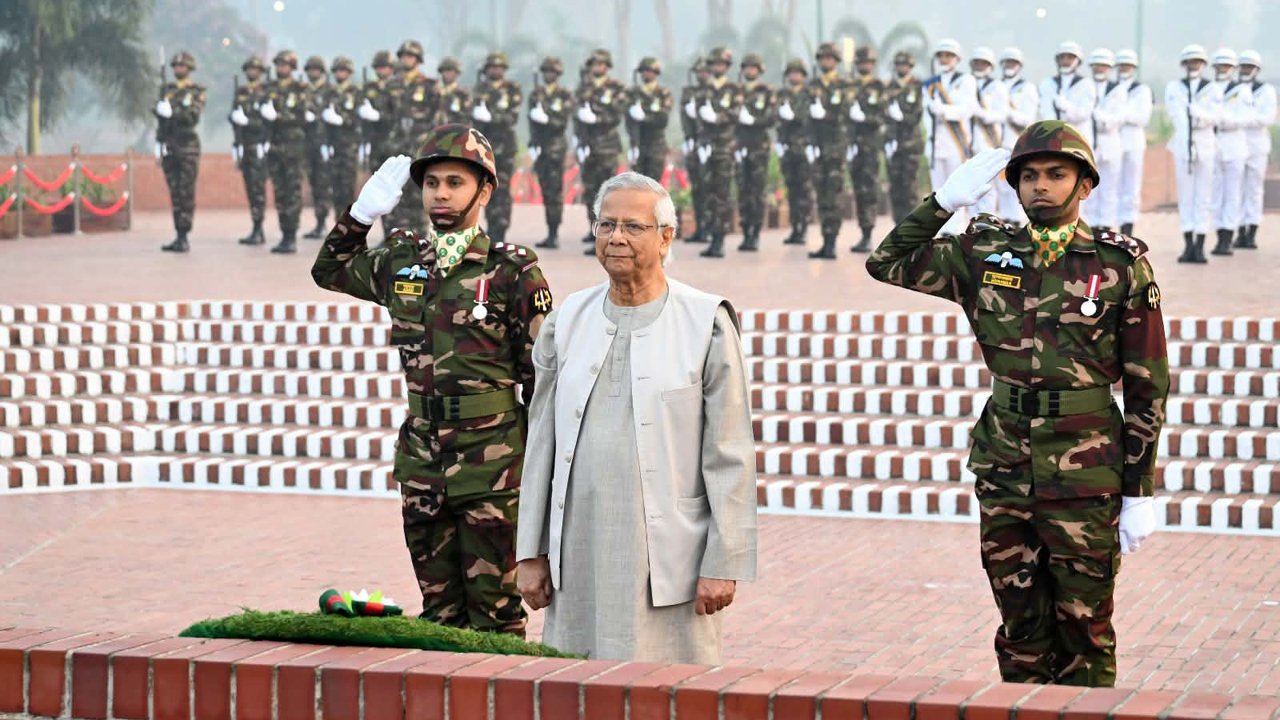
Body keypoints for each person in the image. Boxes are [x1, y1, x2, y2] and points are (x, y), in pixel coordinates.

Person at [867, 121, 1167, 687]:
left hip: (1088, 469)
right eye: (1028, 176)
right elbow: (885, 262)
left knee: (1086, 632)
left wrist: (1138, 490)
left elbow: (1148, 384)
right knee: (1019, 630)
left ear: (1084, 186)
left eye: (1057, 174)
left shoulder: (1119, 264)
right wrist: (942, 203)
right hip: (1006, 465)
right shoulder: (983, 252)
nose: (1040, 187)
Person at [311, 124, 552, 636]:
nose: (440, 194)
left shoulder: (511, 270)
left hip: (492, 461)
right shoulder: (403, 259)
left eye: (455, 183)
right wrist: (361, 215)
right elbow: (329, 270)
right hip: (423, 459)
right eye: (432, 183)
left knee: (496, 615)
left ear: (484, 191)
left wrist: (535, 469)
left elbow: (542, 381)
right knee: (438, 614)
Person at [516, 171, 757, 663]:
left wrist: (724, 560)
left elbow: (729, 452)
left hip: (670, 556)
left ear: (666, 237)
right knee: (575, 687)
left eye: (633, 226)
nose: (616, 238)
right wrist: (530, 552)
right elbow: (540, 440)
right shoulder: (568, 320)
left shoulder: (704, 321)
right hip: (577, 550)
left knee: (670, 691)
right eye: (606, 225)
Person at [1165, 44, 1222, 263]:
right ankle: (1188, 242)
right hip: (1183, 144)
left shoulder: (1213, 89)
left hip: (1206, 143)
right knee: (1186, 196)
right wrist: (1190, 124)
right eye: (1190, 62)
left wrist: (1197, 116)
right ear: (1184, 64)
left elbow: (1215, 115)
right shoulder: (1175, 87)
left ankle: (1200, 243)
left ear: (1203, 64)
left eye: (1197, 61)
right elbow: (1176, 116)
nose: (1193, 65)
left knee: (1203, 197)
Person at [383, 40, 438, 238]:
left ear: (418, 59)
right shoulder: (391, 85)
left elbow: (437, 118)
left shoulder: (429, 86)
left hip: (419, 148)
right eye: (404, 56)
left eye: (411, 56)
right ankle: (397, 240)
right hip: (396, 146)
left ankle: (420, 239)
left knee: (418, 194)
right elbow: (385, 117)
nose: (407, 59)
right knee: (396, 194)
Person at [923, 38, 977, 237]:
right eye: (941, 55)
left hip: (956, 142)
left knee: (957, 186)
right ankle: (940, 227)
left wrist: (943, 110)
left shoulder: (966, 81)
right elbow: (925, 117)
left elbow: (967, 109)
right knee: (938, 189)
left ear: (957, 58)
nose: (944, 59)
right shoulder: (930, 84)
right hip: (936, 143)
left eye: (949, 55)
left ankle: (955, 228)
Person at [575, 48, 626, 252]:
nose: (598, 67)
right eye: (595, 64)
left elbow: (617, 115)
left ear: (607, 67)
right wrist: (579, 141)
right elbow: (576, 116)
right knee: (590, 190)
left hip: (607, 147)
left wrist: (597, 118)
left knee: (607, 193)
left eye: (601, 64)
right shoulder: (583, 87)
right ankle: (593, 227)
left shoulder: (615, 87)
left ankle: (606, 233)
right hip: (588, 147)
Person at [156, 50, 206, 253]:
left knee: (186, 192)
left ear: (189, 69)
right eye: (176, 66)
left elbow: (193, 116)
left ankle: (184, 234)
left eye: (182, 66)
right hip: (170, 145)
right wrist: (158, 142)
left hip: (188, 147)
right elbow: (160, 121)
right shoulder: (166, 90)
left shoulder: (196, 91)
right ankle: (178, 234)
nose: (178, 69)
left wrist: (173, 112)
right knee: (175, 192)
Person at [259, 49, 308, 254]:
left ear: (292, 68)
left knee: (292, 191)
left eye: (285, 65)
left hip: (293, 148)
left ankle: (291, 235)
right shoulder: (268, 88)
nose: (281, 68)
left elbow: (302, 115)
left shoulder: (299, 89)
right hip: (275, 147)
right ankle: (284, 232)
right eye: (279, 65)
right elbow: (261, 115)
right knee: (280, 191)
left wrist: (278, 116)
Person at [472, 52, 523, 244]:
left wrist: (491, 116)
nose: (496, 70)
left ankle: (500, 228)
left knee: (501, 189)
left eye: (499, 67)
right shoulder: (479, 89)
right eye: (492, 67)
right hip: (483, 148)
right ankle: (490, 226)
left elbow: (512, 117)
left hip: (505, 148)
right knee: (485, 188)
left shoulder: (512, 89)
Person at [694, 46, 740, 258]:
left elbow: (736, 113)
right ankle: (712, 237)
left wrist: (718, 117)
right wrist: (701, 143)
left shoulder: (733, 89)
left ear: (727, 66)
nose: (717, 68)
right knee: (708, 192)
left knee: (722, 193)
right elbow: (700, 121)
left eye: (721, 64)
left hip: (724, 148)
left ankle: (720, 238)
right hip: (708, 147)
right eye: (714, 64)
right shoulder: (704, 90)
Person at [806, 42, 850, 259]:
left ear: (836, 61)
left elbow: (845, 114)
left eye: (830, 58)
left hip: (835, 148)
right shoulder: (812, 85)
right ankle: (825, 240)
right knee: (822, 195)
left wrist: (824, 114)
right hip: (818, 148)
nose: (826, 62)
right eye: (823, 58)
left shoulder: (843, 85)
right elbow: (805, 118)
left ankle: (832, 241)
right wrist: (809, 143)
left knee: (833, 195)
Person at [1209, 48, 1252, 256]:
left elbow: (1245, 117)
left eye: (1226, 66)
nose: (1223, 69)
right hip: (1214, 142)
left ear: (1232, 68)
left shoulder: (1242, 90)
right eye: (1219, 65)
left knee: (1232, 193)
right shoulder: (1209, 88)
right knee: (1216, 193)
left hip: (1234, 143)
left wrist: (1223, 119)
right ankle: (1219, 235)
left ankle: (1228, 236)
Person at [529, 56, 574, 249]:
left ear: (558, 74)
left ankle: (554, 232)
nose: (549, 75)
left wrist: (546, 118)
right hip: (541, 148)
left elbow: (562, 121)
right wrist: (533, 142)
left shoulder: (564, 95)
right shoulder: (535, 94)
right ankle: (549, 232)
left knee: (555, 191)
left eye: (552, 72)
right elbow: (531, 121)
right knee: (545, 189)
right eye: (546, 71)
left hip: (555, 148)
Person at [846, 46, 886, 253]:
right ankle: (862, 233)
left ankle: (868, 234)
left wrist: (865, 118)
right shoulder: (849, 86)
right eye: (861, 62)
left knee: (868, 190)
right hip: (853, 146)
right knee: (858, 191)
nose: (865, 65)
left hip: (870, 147)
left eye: (868, 62)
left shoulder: (878, 87)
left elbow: (882, 116)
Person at [735, 53, 774, 252]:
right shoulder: (735, 91)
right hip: (740, 147)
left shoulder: (766, 91)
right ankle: (745, 232)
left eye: (753, 68)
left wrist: (753, 120)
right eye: (747, 67)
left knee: (757, 191)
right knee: (743, 191)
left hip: (759, 148)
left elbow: (772, 118)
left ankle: (755, 233)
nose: (750, 71)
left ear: (759, 70)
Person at [1085, 49, 1126, 232]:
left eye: (1103, 65)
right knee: (1089, 188)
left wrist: (1098, 117)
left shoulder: (1118, 90)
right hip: (1089, 143)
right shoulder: (1083, 87)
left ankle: (1107, 228)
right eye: (1096, 65)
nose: (1099, 68)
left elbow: (1116, 119)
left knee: (1109, 188)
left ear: (1109, 68)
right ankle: (1090, 228)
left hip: (1110, 143)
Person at [997, 47, 1039, 225]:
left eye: (1013, 62)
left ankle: (1016, 220)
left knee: (1016, 183)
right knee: (1001, 187)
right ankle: (1005, 220)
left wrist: (1008, 113)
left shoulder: (1027, 88)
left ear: (1019, 65)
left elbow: (1028, 118)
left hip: (1017, 143)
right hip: (997, 143)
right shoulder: (996, 86)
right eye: (1007, 62)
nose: (1009, 65)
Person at [1238, 50, 1275, 249]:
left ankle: (1251, 231)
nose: (1245, 70)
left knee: (1253, 190)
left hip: (1257, 145)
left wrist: (1241, 119)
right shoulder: (1232, 89)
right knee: (1235, 190)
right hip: (1235, 145)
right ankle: (1238, 230)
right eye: (1243, 66)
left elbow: (1266, 118)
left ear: (1256, 69)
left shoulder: (1266, 91)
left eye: (1249, 67)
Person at [230, 55, 269, 247]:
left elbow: (267, 121)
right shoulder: (241, 92)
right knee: (250, 188)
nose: (251, 72)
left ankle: (259, 227)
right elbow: (235, 120)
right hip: (244, 146)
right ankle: (255, 226)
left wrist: (248, 122)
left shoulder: (266, 93)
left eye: (255, 70)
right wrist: (236, 144)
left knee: (257, 188)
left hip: (258, 146)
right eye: (249, 70)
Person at [775, 58, 814, 242]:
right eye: (791, 73)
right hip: (788, 147)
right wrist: (780, 141)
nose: (794, 76)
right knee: (792, 189)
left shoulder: (808, 94)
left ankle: (804, 227)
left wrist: (796, 116)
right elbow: (778, 119)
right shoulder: (783, 94)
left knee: (804, 188)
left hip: (803, 146)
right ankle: (795, 227)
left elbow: (810, 118)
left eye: (797, 73)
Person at [1113, 49, 1152, 236]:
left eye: (1128, 65)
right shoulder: (1111, 88)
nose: (1124, 68)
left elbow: (1142, 117)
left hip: (1134, 141)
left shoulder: (1142, 90)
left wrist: (1121, 115)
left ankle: (1127, 227)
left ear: (1134, 68)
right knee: (1112, 186)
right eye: (1121, 65)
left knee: (1131, 186)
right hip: (1114, 141)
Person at [884, 51, 925, 224]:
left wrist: (902, 116)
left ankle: (911, 229)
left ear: (910, 66)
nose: (902, 67)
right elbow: (882, 113)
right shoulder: (889, 87)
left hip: (910, 145)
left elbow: (916, 115)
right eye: (899, 64)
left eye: (905, 65)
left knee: (910, 189)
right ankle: (898, 228)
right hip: (893, 145)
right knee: (895, 190)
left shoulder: (917, 86)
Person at [968, 47, 1007, 220]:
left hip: (989, 141)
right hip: (968, 143)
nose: (979, 66)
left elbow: (1002, 113)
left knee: (989, 185)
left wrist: (982, 114)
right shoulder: (966, 84)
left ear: (989, 65)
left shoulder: (998, 86)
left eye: (983, 63)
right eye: (977, 62)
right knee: (971, 185)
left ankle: (988, 221)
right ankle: (974, 222)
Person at [322, 56, 362, 215]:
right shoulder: (329, 92)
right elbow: (322, 120)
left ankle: (349, 228)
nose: (340, 73)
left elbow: (359, 118)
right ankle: (339, 225)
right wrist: (323, 143)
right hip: (333, 146)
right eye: (338, 70)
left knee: (347, 188)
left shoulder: (355, 92)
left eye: (344, 70)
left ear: (349, 72)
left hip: (349, 147)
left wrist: (342, 120)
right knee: (335, 189)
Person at [625, 57, 673, 184]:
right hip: (639, 143)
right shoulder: (633, 93)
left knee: (653, 184)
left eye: (648, 70)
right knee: (638, 185)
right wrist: (633, 144)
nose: (645, 74)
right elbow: (629, 122)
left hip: (656, 145)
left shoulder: (663, 93)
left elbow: (663, 119)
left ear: (655, 72)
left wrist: (644, 118)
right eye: (642, 71)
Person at [1039, 42, 1095, 147]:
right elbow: (1045, 111)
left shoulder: (1087, 84)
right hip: (1054, 140)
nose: (1065, 61)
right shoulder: (1048, 83)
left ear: (1078, 61)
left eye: (1070, 58)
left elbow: (1084, 114)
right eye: (1062, 57)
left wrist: (1066, 107)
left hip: (1079, 139)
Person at [679, 58, 711, 243]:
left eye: (705, 71)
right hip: (694, 144)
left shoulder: (712, 91)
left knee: (710, 189)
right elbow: (684, 116)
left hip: (709, 144)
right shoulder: (689, 92)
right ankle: (700, 227)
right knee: (697, 188)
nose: (702, 75)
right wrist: (689, 138)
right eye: (699, 72)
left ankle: (710, 228)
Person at [302, 56, 333, 239]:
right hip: (307, 143)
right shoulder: (303, 91)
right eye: (310, 70)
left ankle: (324, 221)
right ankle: (319, 222)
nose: (313, 73)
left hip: (325, 143)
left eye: (316, 69)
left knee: (324, 184)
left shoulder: (329, 91)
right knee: (314, 182)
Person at [357, 50, 396, 180]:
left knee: (395, 180)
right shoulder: (369, 87)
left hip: (394, 141)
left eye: (384, 67)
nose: (381, 71)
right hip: (375, 140)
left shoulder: (398, 86)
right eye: (378, 67)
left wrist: (379, 116)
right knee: (376, 179)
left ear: (391, 68)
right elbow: (360, 110)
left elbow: (399, 114)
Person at [435, 57, 473, 125]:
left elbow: (467, 118)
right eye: (444, 70)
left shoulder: (462, 95)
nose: (447, 73)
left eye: (449, 70)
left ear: (456, 73)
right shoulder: (433, 91)